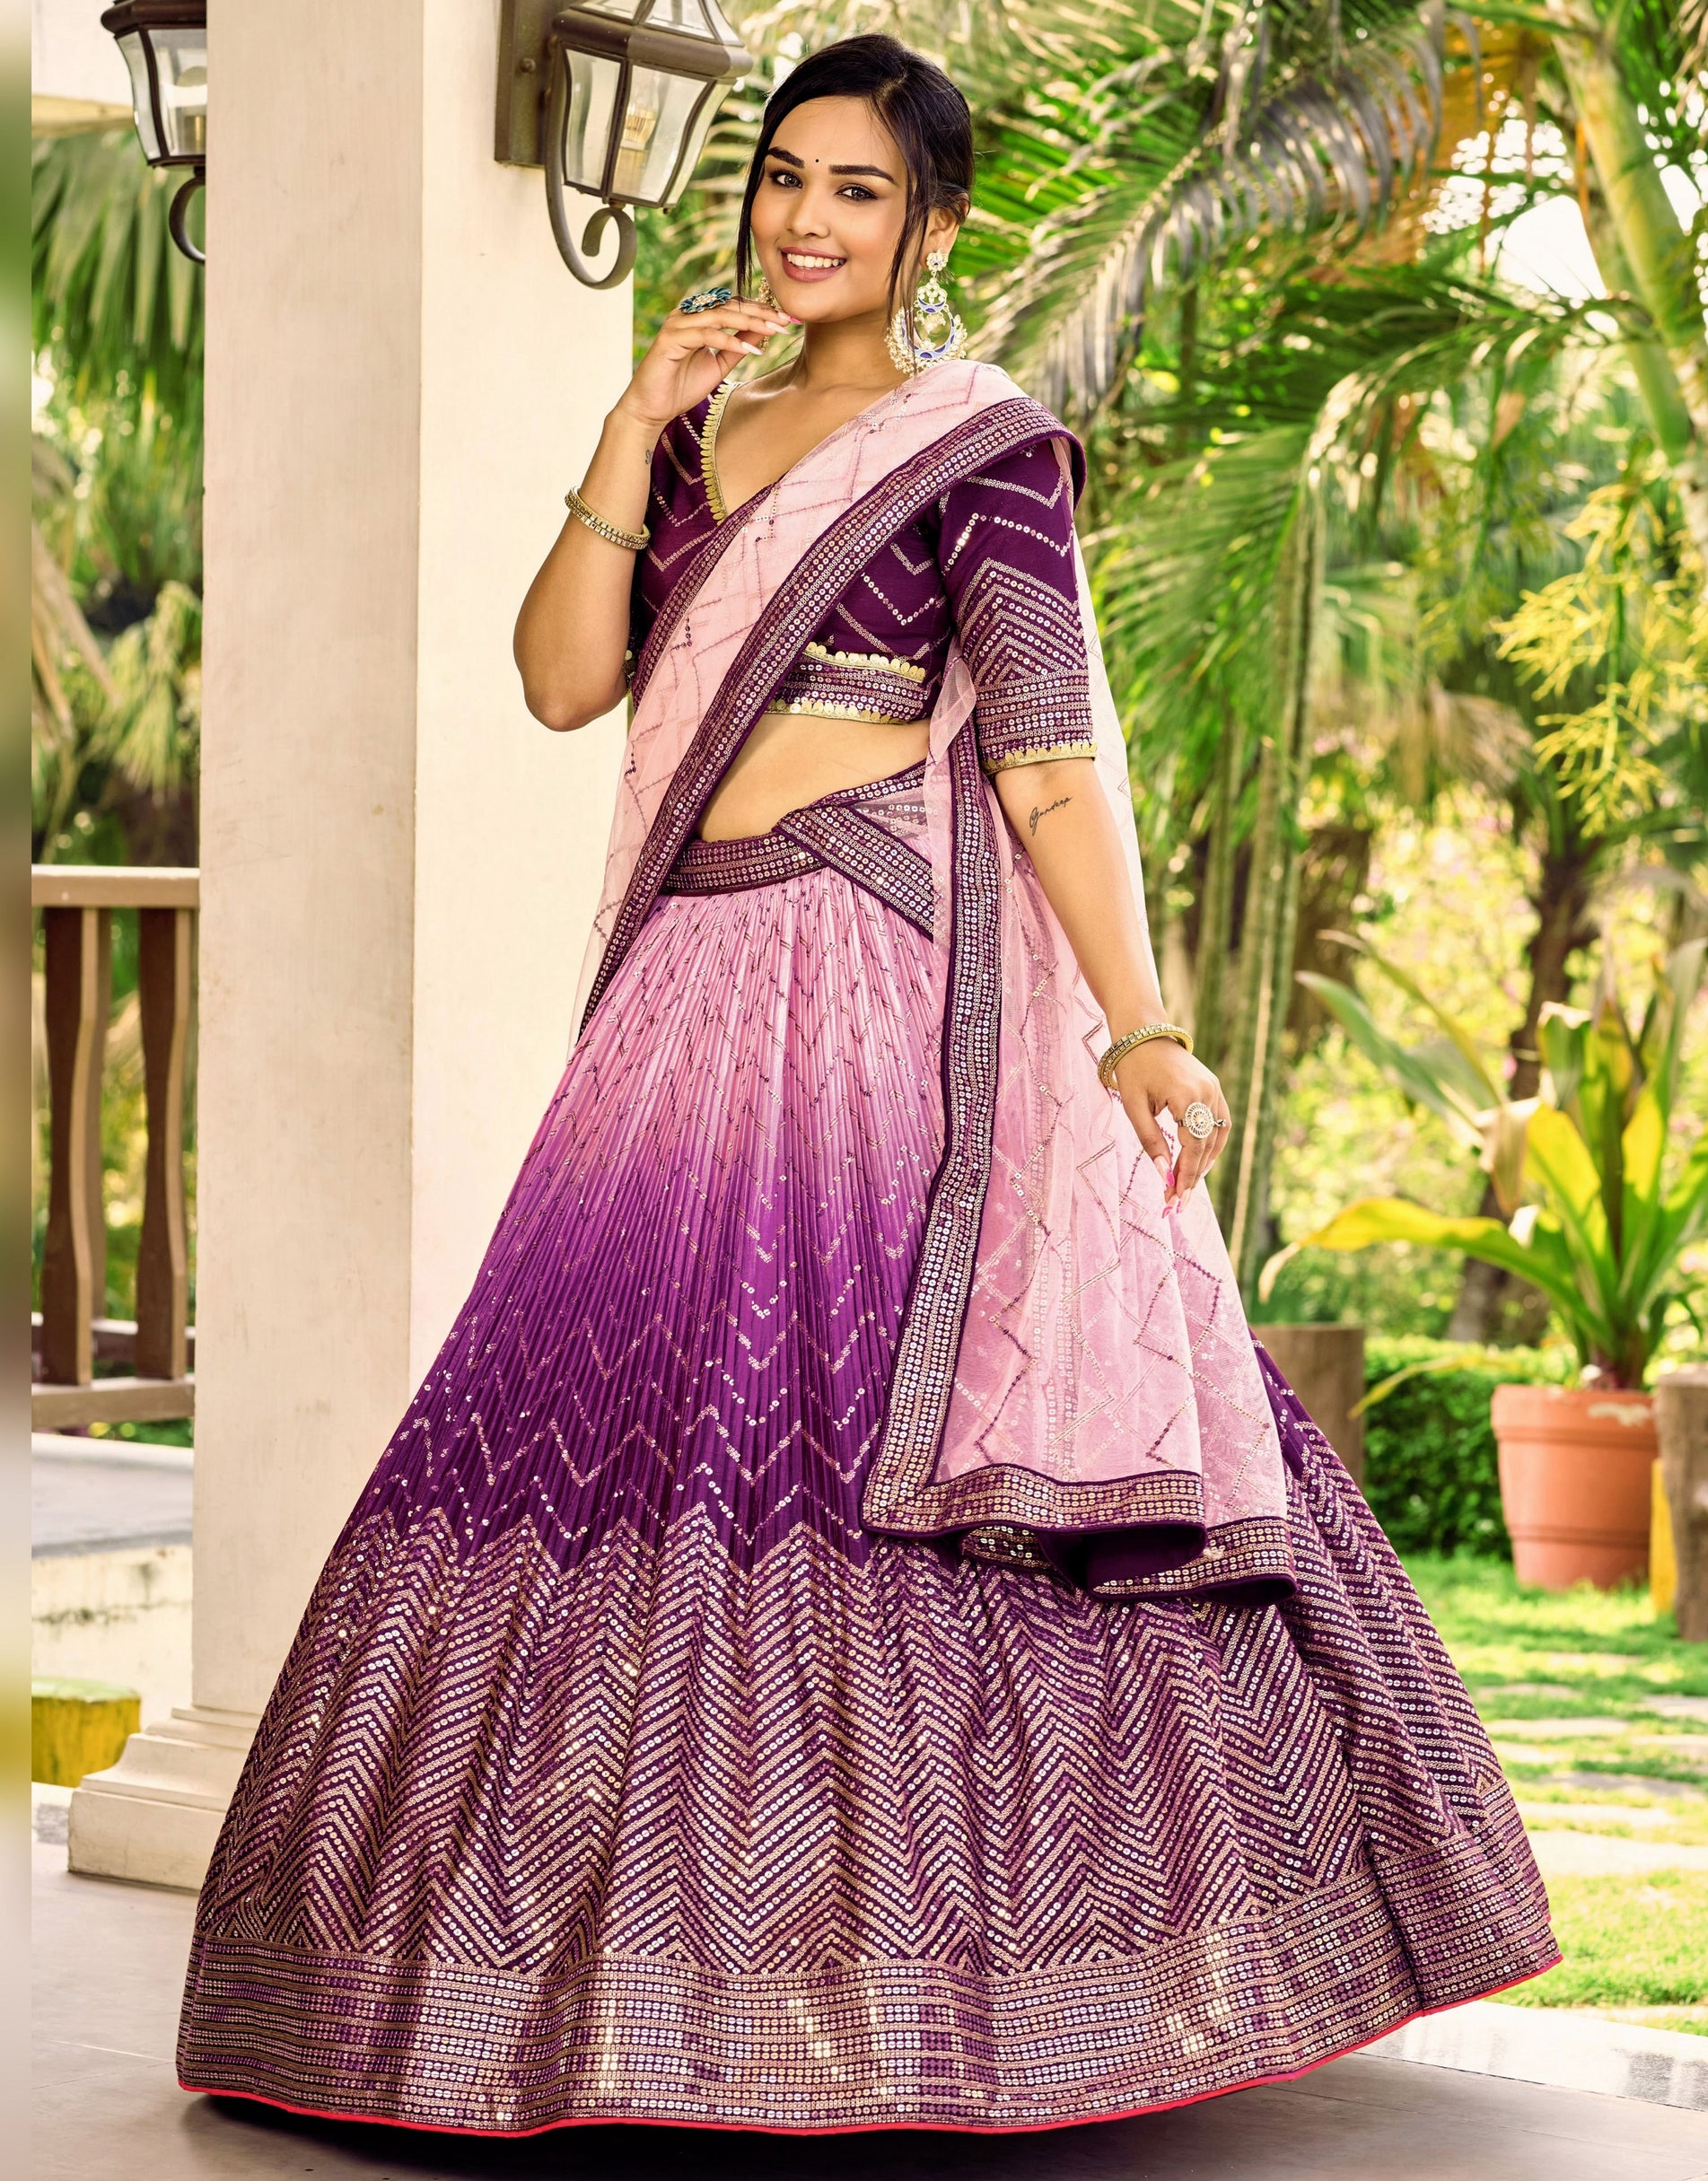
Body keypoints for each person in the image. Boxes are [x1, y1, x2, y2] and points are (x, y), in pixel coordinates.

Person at [176, 33, 1557, 2138]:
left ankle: (937, 1990)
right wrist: (629, 425)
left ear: (932, 228)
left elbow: (1048, 755)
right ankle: (569, 1985)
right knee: (586, 1436)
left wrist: (1137, 1017)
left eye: (854, 192)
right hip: (681, 988)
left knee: (848, 1448)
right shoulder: (703, 433)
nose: (805, 221)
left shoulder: (976, 450)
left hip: (866, 990)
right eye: (784, 180)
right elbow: (562, 681)